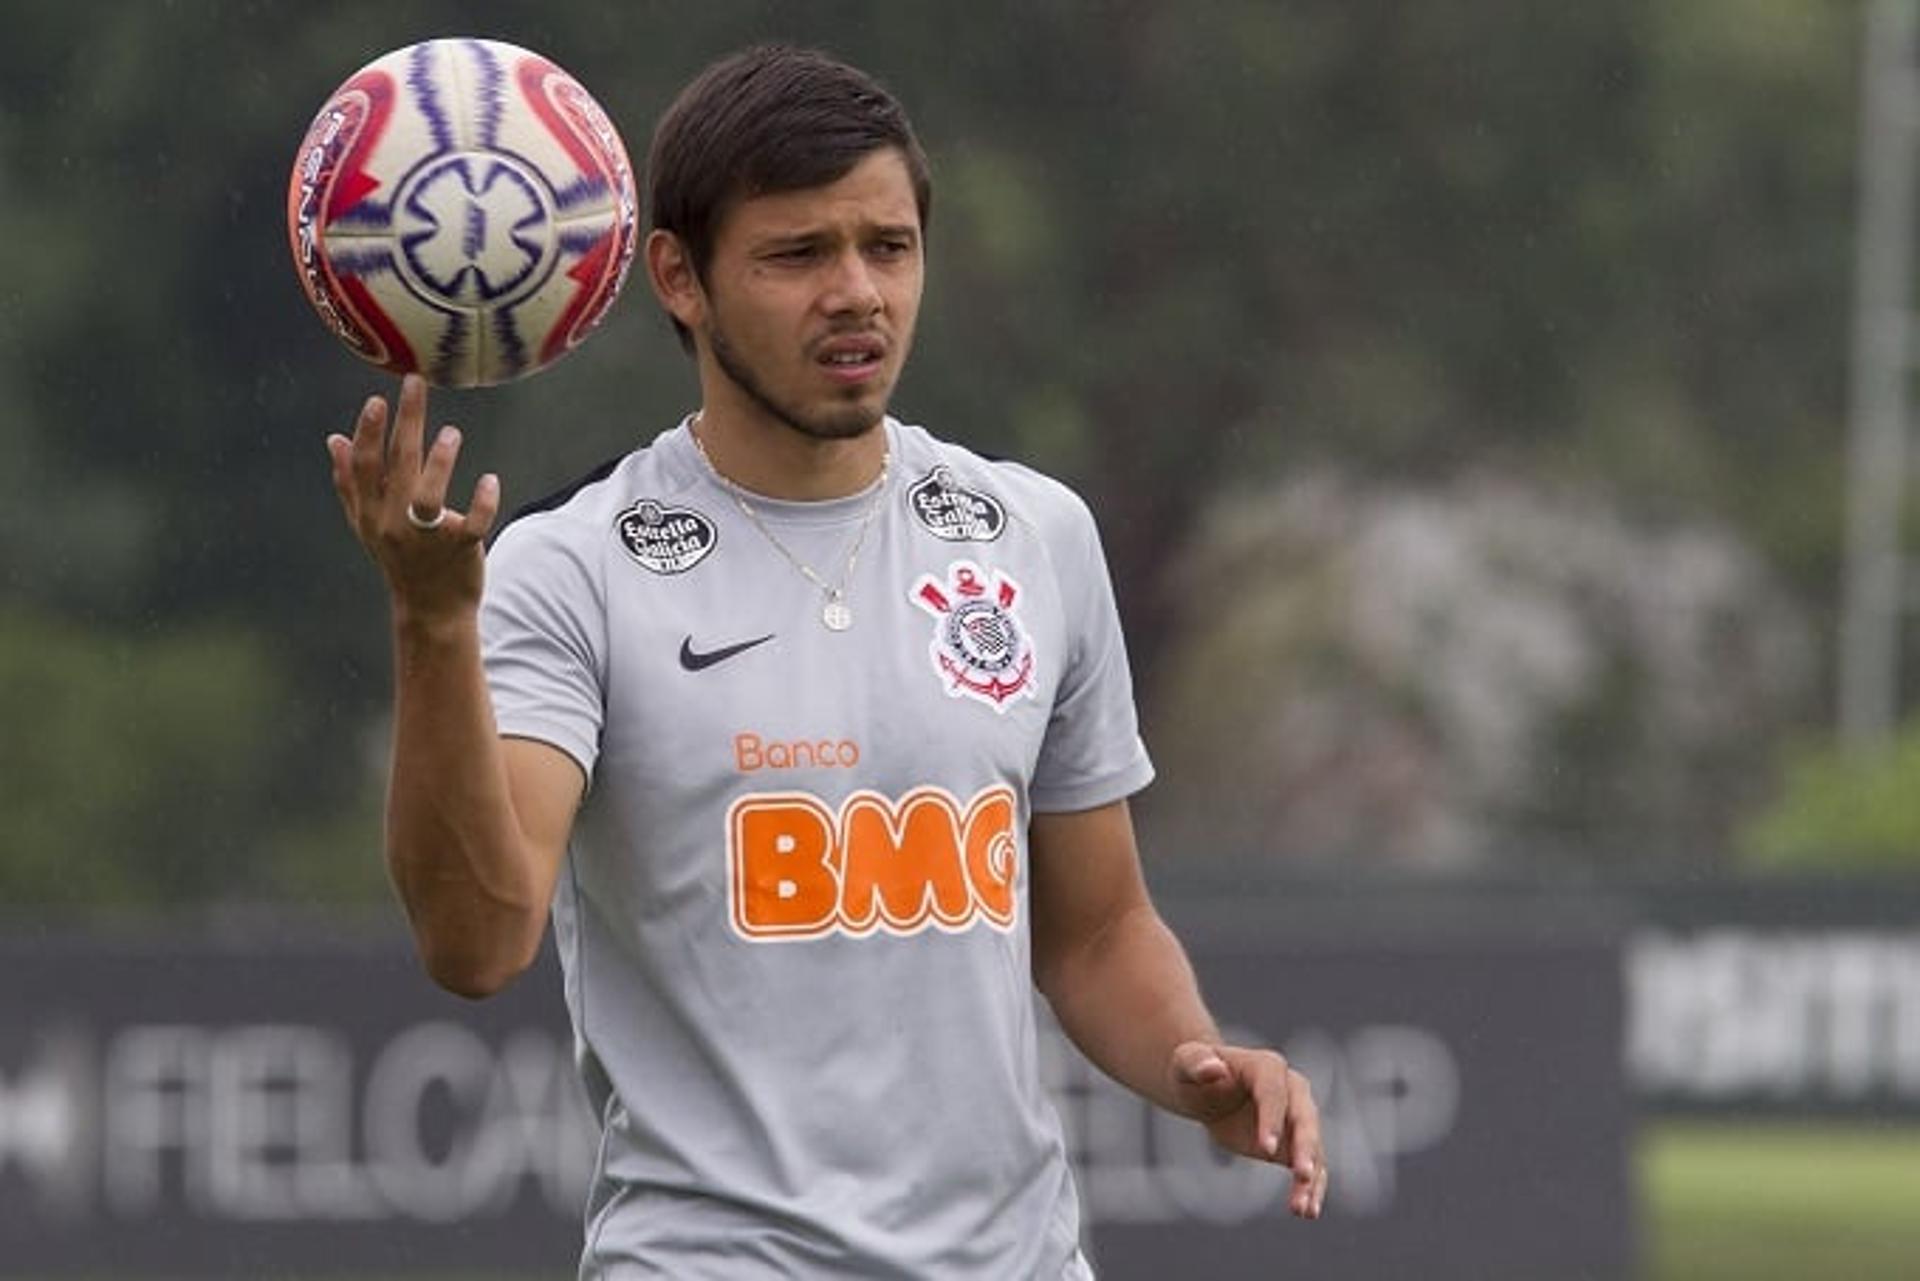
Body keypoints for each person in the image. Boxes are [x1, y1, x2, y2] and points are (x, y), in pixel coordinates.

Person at [326, 43, 1325, 1279]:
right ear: (679, 278)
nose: (857, 292)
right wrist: (432, 629)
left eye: (888, 248)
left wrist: (1197, 1065)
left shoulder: (1037, 537)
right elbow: (476, 945)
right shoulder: (565, 567)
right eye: (798, 256)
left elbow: (1095, 929)